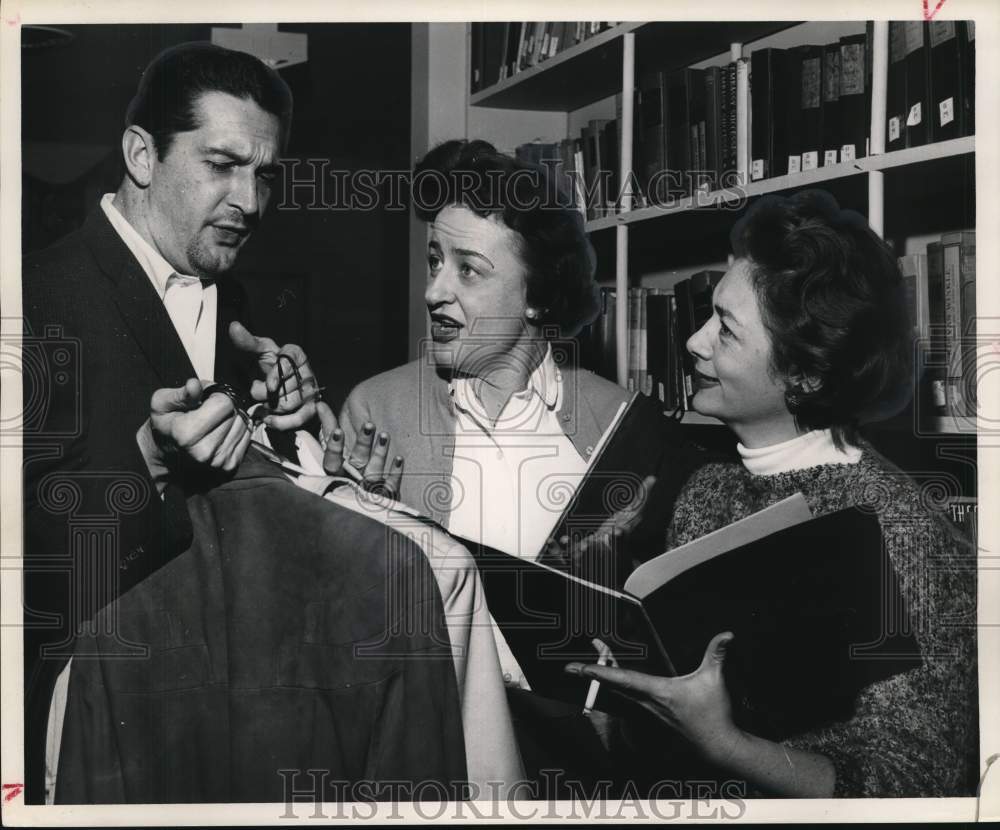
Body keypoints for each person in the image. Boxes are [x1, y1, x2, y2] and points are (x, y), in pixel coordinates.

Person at [20, 41, 388, 802]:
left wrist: (293, 437)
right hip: (98, 713)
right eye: (221, 165)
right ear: (141, 155)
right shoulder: (30, 300)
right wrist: (148, 466)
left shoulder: (236, 306)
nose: (250, 203)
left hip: (242, 691)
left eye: (264, 175)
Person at [565, 190, 978, 797]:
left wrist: (724, 743)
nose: (694, 343)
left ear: (805, 373)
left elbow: (916, 788)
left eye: (726, 331)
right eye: (710, 316)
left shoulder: (895, 532)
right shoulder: (706, 488)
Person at [339, 139, 703, 791]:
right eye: (433, 261)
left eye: (468, 270)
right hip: (425, 764)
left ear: (537, 296)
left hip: (582, 778)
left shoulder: (622, 426)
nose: (434, 291)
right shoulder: (377, 410)